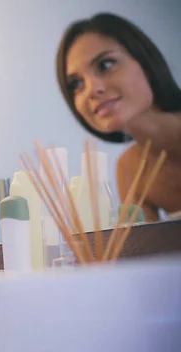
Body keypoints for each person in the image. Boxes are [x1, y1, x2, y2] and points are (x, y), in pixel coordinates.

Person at [56, 12, 181, 222]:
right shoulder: (130, 168)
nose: (91, 89)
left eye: (105, 65)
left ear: (146, 62)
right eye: (77, 84)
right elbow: (147, 253)